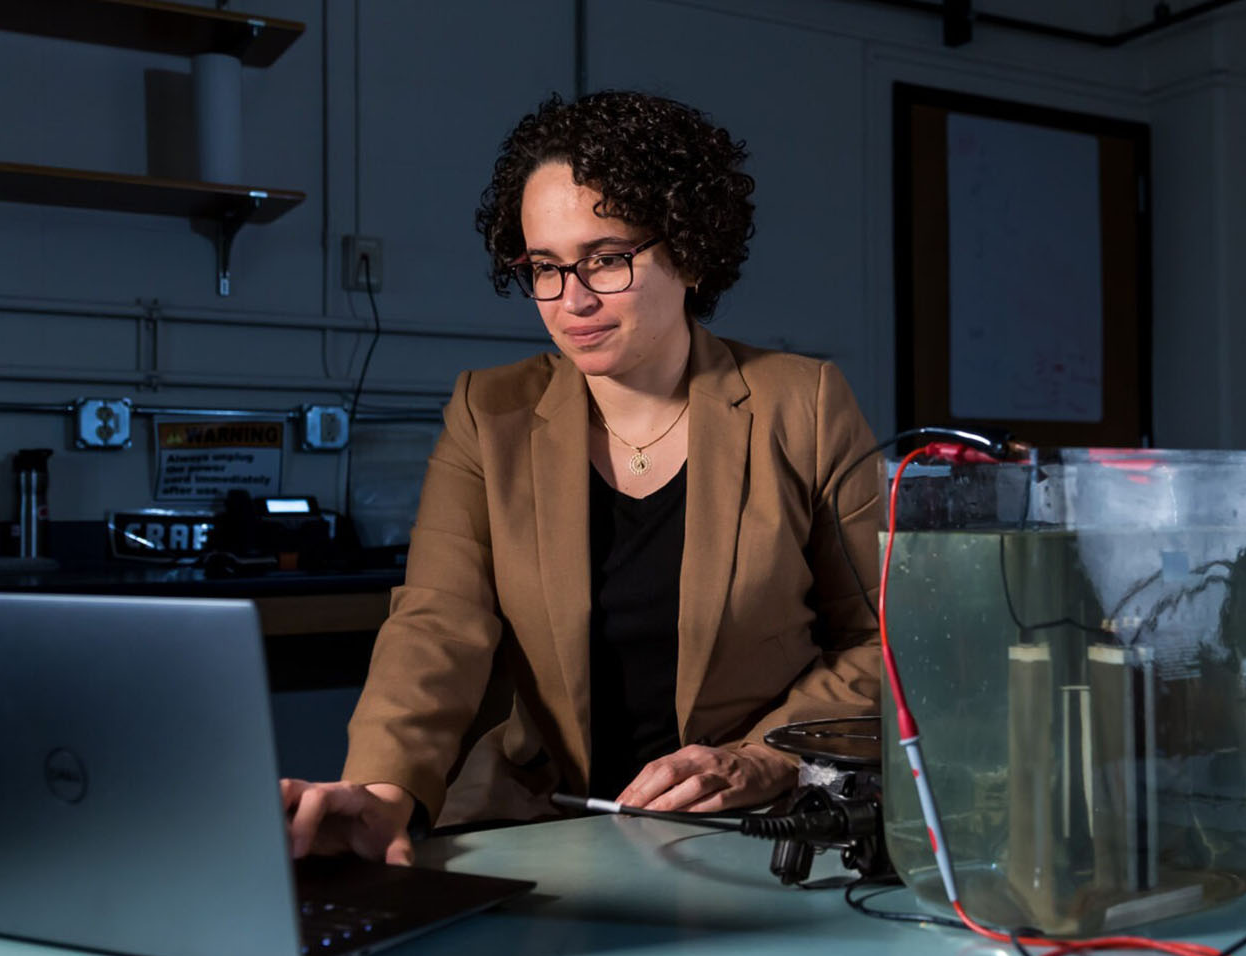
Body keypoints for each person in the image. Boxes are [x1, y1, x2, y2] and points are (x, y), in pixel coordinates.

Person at [282, 91, 883, 866]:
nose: (573, 300)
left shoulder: (802, 403)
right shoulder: (486, 412)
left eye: (605, 258)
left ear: (690, 253)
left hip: (753, 830)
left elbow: (882, 640)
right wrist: (383, 789)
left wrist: (764, 757)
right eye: (544, 268)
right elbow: (437, 627)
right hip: (546, 822)